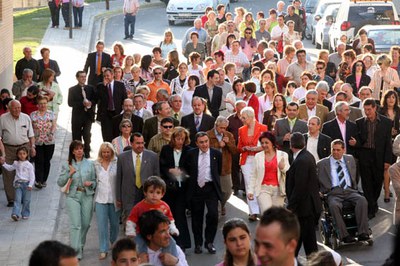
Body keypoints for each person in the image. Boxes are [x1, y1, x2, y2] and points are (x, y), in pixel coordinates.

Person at [317, 139, 370, 243]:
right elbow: (315, 180)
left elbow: (355, 176)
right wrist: (319, 191)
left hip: (349, 190)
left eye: (338, 150)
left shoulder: (350, 159)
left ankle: (363, 233)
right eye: (333, 150)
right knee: (334, 205)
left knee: (362, 200)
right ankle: (344, 235)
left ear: (344, 150)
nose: (335, 152)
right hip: (333, 192)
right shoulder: (322, 164)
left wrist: (354, 187)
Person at [183, 132, 222, 254]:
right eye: (201, 142)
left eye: (206, 141)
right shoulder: (190, 154)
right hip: (196, 189)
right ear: (196, 143)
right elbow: (187, 171)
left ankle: (209, 242)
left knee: (213, 215)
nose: (204, 144)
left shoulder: (216, 154)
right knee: (196, 218)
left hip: (211, 188)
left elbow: (218, 171)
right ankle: (198, 244)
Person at [57, 140, 96, 260]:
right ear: (73, 151)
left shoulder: (90, 164)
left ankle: (80, 245)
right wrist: (69, 173)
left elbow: (95, 182)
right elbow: (60, 182)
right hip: (72, 196)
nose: (79, 151)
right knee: (76, 225)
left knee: (85, 224)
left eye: (81, 148)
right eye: (77, 149)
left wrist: (91, 183)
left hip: (86, 195)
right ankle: (76, 252)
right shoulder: (67, 164)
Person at [356, 98, 392, 219]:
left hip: (379, 155)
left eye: (369, 109)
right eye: (365, 110)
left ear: (375, 108)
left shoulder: (386, 122)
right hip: (365, 155)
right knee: (366, 183)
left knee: (377, 181)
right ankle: (370, 208)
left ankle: (373, 202)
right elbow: (359, 140)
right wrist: (356, 143)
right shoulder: (360, 122)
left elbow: (388, 143)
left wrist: (387, 160)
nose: (367, 112)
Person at [286, 132, 321, 256]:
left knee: (307, 244)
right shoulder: (307, 156)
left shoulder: (301, 160)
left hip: (304, 209)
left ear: (291, 145)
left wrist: (291, 207)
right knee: (305, 242)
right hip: (307, 207)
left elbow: (299, 187)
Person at [126, 176, 179, 257]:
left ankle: (168, 256)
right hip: (142, 233)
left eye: (158, 193)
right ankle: (141, 258)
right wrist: (131, 231)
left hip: (160, 233)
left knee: (171, 242)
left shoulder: (164, 207)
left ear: (162, 194)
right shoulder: (139, 206)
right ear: (145, 192)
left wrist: (172, 229)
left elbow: (170, 220)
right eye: (151, 192)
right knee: (138, 244)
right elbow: (131, 220)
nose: (154, 195)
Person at [159, 127, 192, 250]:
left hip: (182, 188)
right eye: (178, 138)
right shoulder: (166, 149)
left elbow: (191, 169)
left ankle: (182, 243)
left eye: (182, 139)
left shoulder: (189, 151)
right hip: (169, 187)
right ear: (173, 138)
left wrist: (182, 172)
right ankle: (169, 242)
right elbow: (162, 166)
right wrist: (170, 171)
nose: (180, 141)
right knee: (168, 216)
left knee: (180, 215)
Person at [116, 132, 160, 220]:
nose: (141, 145)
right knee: (130, 223)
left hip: (147, 195)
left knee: (147, 223)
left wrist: (157, 195)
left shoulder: (153, 156)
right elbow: (119, 179)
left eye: (142, 143)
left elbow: (157, 178)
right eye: (138, 143)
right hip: (129, 196)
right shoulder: (122, 158)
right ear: (131, 143)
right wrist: (118, 198)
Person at [0, 100, 36, 208]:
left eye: (19, 108)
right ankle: (11, 199)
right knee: (8, 173)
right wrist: (3, 153)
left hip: (23, 147)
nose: (17, 110)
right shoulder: (2, 118)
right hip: (9, 148)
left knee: (24, 173)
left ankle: (23, 196)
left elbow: (31, 135)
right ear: (9, 108)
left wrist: (33, 147)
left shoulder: (26, 117)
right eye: (15, 108)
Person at [238, 107, 268, 221]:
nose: (242, 119)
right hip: (246, 160)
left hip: (260, 159)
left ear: (251, 117)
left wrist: (253, 148)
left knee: (260, 183)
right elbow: (239, 147)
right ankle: (253, 211)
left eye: (244, 117)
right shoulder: (241, 130)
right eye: (241, 117)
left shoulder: (263, 128)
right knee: (249, 184)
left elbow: (266, 145)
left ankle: (263, 209)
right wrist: (244, 148)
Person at [248, 132, 288, 214]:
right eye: (262, 143)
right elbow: (253, 175)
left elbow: (289, 173)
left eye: (266, 142)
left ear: (273, 143)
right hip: (263, 189)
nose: (264, 145)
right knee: (267, 214)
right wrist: (250, 191)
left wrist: (283, 168)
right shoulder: (258, 156)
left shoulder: (283, 155)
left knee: (276, 217)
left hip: (278, 190)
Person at [93, 142, 120, 260]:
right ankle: (103, 249)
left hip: (114, 199)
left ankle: (113, 241)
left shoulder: (117, 163)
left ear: (112, 152)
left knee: (114, 224)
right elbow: (93, 179)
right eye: (104, 152)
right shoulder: (95, 164)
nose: (106, 154)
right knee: (102, 225)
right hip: (100, 198)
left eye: (108, 152)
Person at [207, 116, 237, 216]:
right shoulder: (208, 134)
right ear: (216, 125)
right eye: (221, 128)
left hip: (225, 167)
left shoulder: (229, 135)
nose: (223, 130)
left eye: (225, 128)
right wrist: (217, 145)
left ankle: (221, 204)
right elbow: (204, 149)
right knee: (213, 191)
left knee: (227, 191)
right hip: (211, 167)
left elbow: (234, 151)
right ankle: (216, 210)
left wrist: (228, 143)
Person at [0, 146, 34, 221]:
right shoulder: (16, 163)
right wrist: (3, 164)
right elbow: (10, 168)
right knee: (17, 199)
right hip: (18, 183)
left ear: (27, 154)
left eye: (24, 154)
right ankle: (15, 213)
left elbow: (32, 176)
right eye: (20, 154)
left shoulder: (29, 165)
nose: (22, 155)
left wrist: (30, 185)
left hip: (27, 184)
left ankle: (25, 213)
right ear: (17, 155)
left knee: (26, 200)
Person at [68, 71, 96, 158]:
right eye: (81, 77)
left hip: (88, 116)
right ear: (77, 78)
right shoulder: (72, 89)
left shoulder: (91, 88)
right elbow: (70, 103)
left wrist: (90, 103)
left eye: (84, 76)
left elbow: (96, 99)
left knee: (87, 134)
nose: (83, 78)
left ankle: (87, 151)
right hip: (77, 116)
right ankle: (77, 153)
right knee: (76, 135)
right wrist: (82, 103)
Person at [30, 96, 56, 189]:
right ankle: (38, 180)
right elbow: (31, 128)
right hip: (37, 141)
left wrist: (52, 133)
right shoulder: (33, 115)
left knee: (47, 161)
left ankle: (44, 179)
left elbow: (53, 125)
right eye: (41, 103)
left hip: (49, 141)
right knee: (39, 160)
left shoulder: (51, 114)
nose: (43, 105)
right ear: (37, 105)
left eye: (44, 103)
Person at [96, 68, 127, 142]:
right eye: (104, 76)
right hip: (105, 114)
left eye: (107, 76)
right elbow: (99, 98)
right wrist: (104, 86)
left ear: (112, 75)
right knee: (106, 136)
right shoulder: (100, 86)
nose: (106, 77)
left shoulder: (120, 85)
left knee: (117, 135)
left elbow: (124, 99)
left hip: (117, 113)